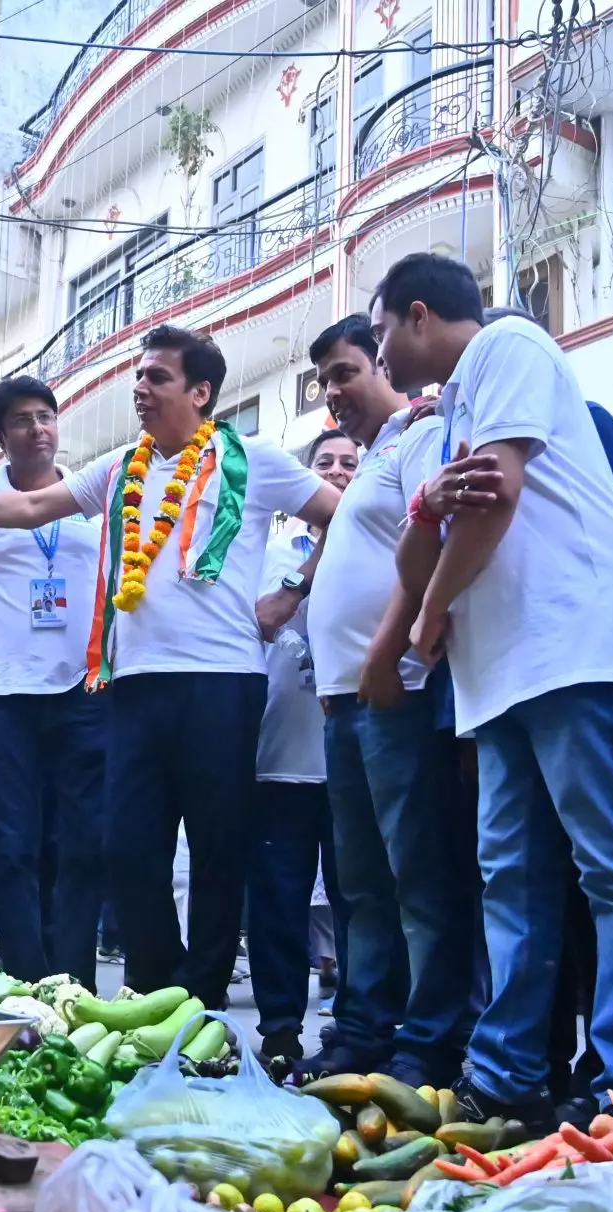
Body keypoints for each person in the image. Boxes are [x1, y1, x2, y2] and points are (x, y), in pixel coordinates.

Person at [0, 326, 340, 1008]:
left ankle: (204, 1000)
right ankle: (161, 984)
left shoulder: (253, 460)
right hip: (131, 687)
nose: (140, 387)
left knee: (220, 849)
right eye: (140, 376)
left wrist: (293, 590)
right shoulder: (120, 469)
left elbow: (344, 516)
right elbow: (30, 506)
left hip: (223, 684)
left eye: (157, 377)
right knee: (128, 850)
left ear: (200, 392)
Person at [379, 252, 613, 1129]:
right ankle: (507, 1071)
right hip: (499, 674)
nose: (383, 351)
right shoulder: (440, 426)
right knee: (510, 878)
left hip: (572, 647)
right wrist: (430, 505)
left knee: (612, 869)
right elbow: (418, 548)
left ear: (421, 313)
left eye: (384, 329)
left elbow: (499, 493)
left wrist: (431, 612)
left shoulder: (510, 346)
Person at [288, 315, 480, 1086]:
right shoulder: (368, 461)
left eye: (345, 372)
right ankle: (364, 1027)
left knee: (419, 877)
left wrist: (382, 656)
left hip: (396, 690)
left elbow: (427, 551)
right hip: (346, 704)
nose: (336, 394)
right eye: (326, 383)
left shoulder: (418, 438)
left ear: (383, 366)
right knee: (362, 883)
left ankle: (430, 1039)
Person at [0, 376, 108, 986]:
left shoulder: (88, 496)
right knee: (13, 846)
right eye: (22, 420)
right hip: (6, 696)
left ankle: (75, 982)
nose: (38, 428)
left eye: (46, 416)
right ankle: (23, 983)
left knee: (79, 844)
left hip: (84, 691)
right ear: (0, 436)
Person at [244, 430, 353, 1071]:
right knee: (277, 901)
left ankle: (353, 1026)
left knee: (355, 900)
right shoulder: (271, 553)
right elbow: (258, 619)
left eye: (349, 463)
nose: (337, 472)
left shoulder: (378, 544)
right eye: (325, 463)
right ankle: (280, 1026)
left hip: (349, 756)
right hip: (277, 752)